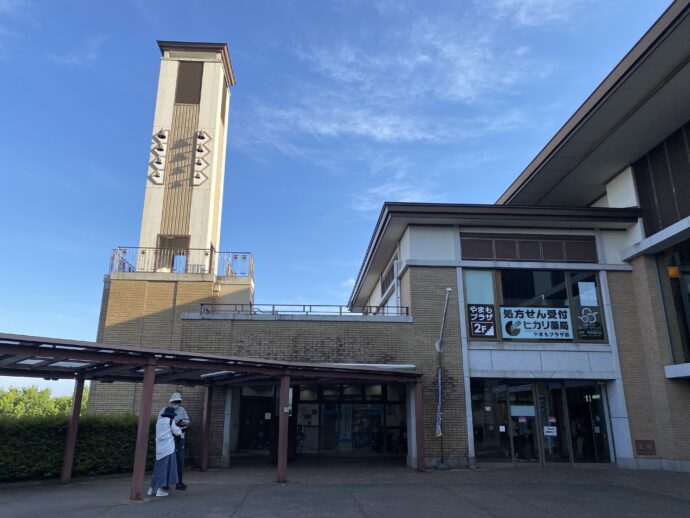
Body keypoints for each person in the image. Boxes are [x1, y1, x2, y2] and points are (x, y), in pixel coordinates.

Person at [148, 407, 182, 497]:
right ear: (172, 415)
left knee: (158, 468)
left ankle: (151, 489)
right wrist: (180, 428)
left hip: (159, 449)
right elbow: (178, 433)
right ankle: (161, 490)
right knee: (166, 469)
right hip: (168, 449)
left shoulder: (158, 422)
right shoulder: (171, 421)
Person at [159, 392, 190, 490]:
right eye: (175, 401)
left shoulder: (182, 410)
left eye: (178, 401)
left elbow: (187, 421)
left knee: (179, 460)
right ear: (171, 402)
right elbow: (160, 422)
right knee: (167, 460)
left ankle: (179, 482)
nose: (177, 403)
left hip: (178, 439)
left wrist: (182, 422)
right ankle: (165, 482)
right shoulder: (164, 410)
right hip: (169, 438)